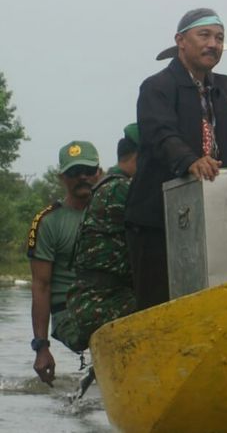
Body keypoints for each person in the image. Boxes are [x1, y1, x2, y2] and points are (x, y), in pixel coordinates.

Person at [125, 8, 227, 311]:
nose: (213, 44)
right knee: (157, 307)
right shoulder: (157, 86)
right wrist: (190, 161)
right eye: (204, 35)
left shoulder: (223, 90)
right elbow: (161, 135)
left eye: (220, 38)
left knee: (207, 305)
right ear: (180, 41)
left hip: (210, 216)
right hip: (157, 218)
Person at [27, 141, 101, 385]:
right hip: (68, 311)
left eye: (88, 171)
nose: (83, 177)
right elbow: (40, 285)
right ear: (62, 177)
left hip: (109, 303)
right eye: (74, 172)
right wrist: (41, 347)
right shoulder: (48, 221)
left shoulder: (114, 211)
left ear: (99, 173)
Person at [65, 124, 140, 350]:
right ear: (141, 155)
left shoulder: (108, 187)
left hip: (92, 301)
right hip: (104, 304)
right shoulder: (122, 190)